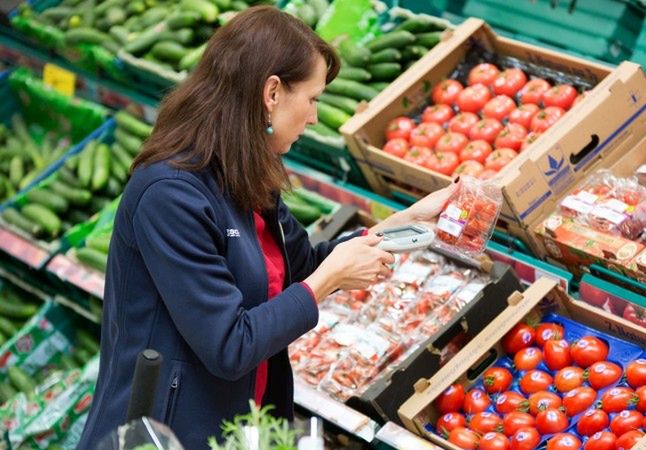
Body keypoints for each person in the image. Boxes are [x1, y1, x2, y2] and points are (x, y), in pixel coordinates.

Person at [76, 6, 458, 449]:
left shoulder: (244, 173)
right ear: (272, 92)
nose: (315, 116)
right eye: (313, 99)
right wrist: (329, 279)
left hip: (238, 425)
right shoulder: (169, 195)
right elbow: (229, 345)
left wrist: (406, 223)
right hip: (166, 434)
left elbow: (303, 265)